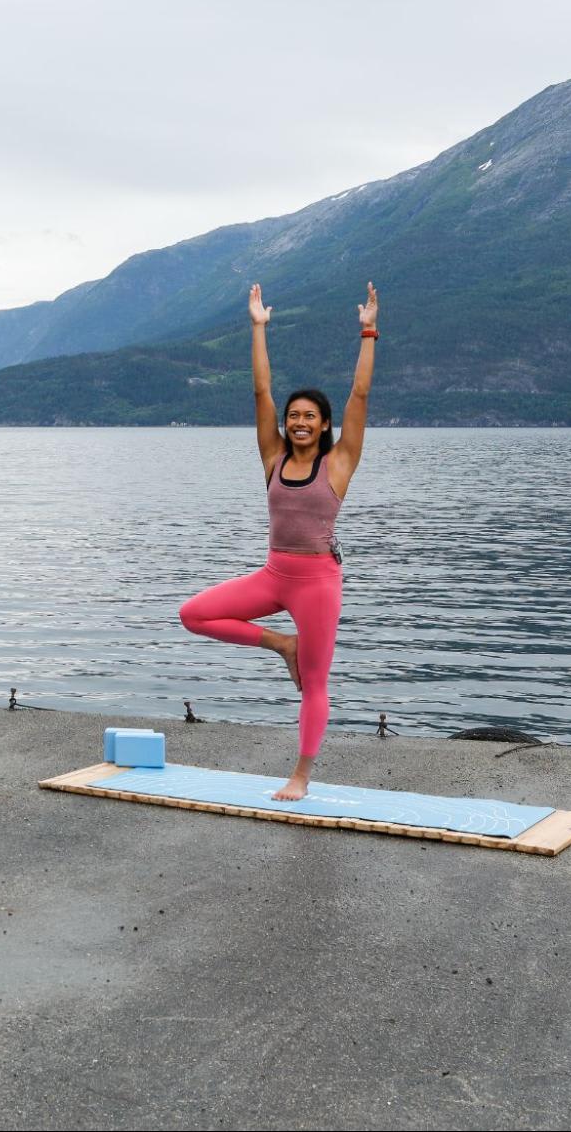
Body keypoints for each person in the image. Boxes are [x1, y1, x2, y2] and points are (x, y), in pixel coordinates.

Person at [178, 282, 378, 801]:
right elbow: (260, 393)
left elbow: (360, 395)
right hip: (273, 575)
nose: (299, 421)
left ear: (325, 424)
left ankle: (302, 775)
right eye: (295, 416)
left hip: (317, 582)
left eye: (310, 416)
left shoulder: (339, 462)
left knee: (314, 682)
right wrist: (259, 327)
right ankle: (280, 644)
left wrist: (368, 331)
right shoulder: (273, 457)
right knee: (194, 614)